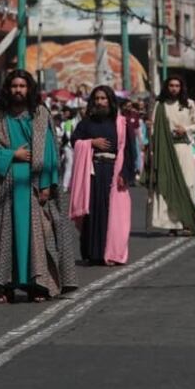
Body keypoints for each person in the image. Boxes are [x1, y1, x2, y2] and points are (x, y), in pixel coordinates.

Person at [0, 70, 76, 303]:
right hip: (5, 186)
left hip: (33, 187)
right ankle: (4, 286)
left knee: (37, 237)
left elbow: (51, 152)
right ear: (8, 89)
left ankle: (38, 285)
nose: (18, 90)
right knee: (4, 237)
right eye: (14, 86)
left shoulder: (40, 114)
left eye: (22, 86)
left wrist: (46, 185)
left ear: (29, 88)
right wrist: (12, 154)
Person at [68, 86, 135, 265]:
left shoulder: (121, 123)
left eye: (103, 98)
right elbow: (74, 141)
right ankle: (93, 254)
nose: (100, 102)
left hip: (113, 172)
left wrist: (125, 173)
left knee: (111, 214)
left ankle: (111, 253)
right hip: (92, 173)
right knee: (92, 212)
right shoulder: (86, 123)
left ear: (110, 100)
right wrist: (91, 142)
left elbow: (129, 150)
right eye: (97, 99)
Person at [148, 76, 195, 235]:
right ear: (167, 87)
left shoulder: (189, 104)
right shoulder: (160, 105)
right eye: (171, 85)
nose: (174, 89)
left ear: (181, 87)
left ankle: (187, 222)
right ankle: (173, 224)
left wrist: (185, 129)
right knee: (168, 185)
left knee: (187, 183)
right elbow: (153, 130)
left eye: (177, 86)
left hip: (183, 147)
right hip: (165, 149)